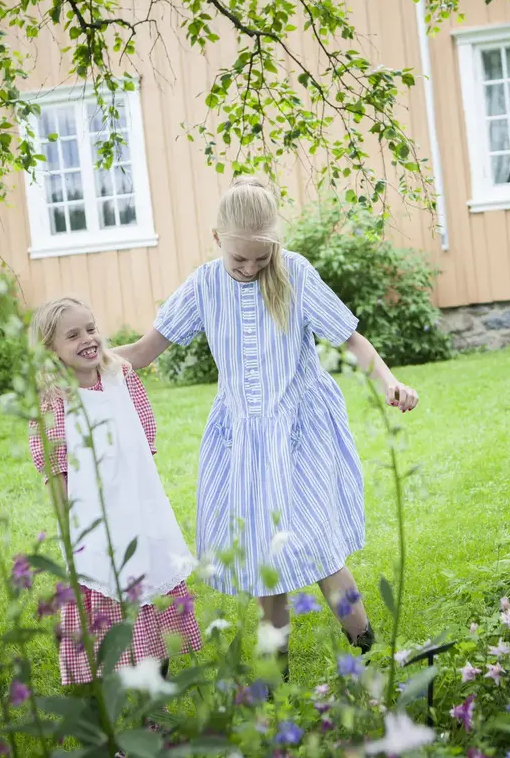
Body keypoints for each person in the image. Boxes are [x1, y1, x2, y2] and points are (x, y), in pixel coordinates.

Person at [116, 177, 419, 670]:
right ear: (217, 240)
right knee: (264, 554)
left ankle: (368, 649)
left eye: (261, 258)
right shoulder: (203, 285)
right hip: (243, 438)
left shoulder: (294, 272)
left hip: (302, 428)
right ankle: (275, 670)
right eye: (240, 260)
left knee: (318, 544)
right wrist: (86, 359)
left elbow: (352, 340)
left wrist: (389, 380)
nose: (251, 268)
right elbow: (145, 351)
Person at [28, 297, 201, 685]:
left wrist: (141, 494)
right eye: (72, 335)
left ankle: (156, 708)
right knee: (109, 609)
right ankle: (119, 709)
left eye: (91, 328)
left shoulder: (122, 376)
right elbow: (55, 471)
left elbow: (144, 438)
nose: (88, 339)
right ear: (50, 349)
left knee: (150, 591)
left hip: (140, 510)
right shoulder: (55, 403)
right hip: (95, 523)